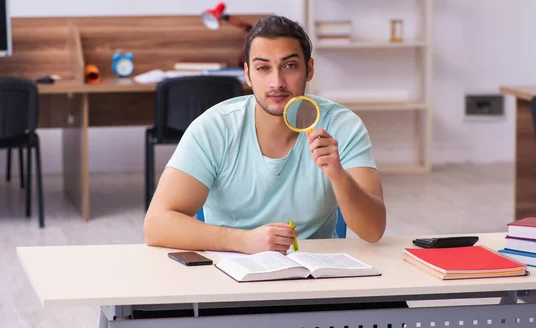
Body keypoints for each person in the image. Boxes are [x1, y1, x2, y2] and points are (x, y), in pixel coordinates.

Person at [143, 15, 386, 254]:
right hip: (230, 272)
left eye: (289, 66)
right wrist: (244, 241)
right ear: (247, 74)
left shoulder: (343, 125)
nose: (277, 82)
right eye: (263, 68)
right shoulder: (215, 127)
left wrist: (338, 174)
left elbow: (373, 230)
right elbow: (156, 225)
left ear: (309, 69)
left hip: (315, 275)